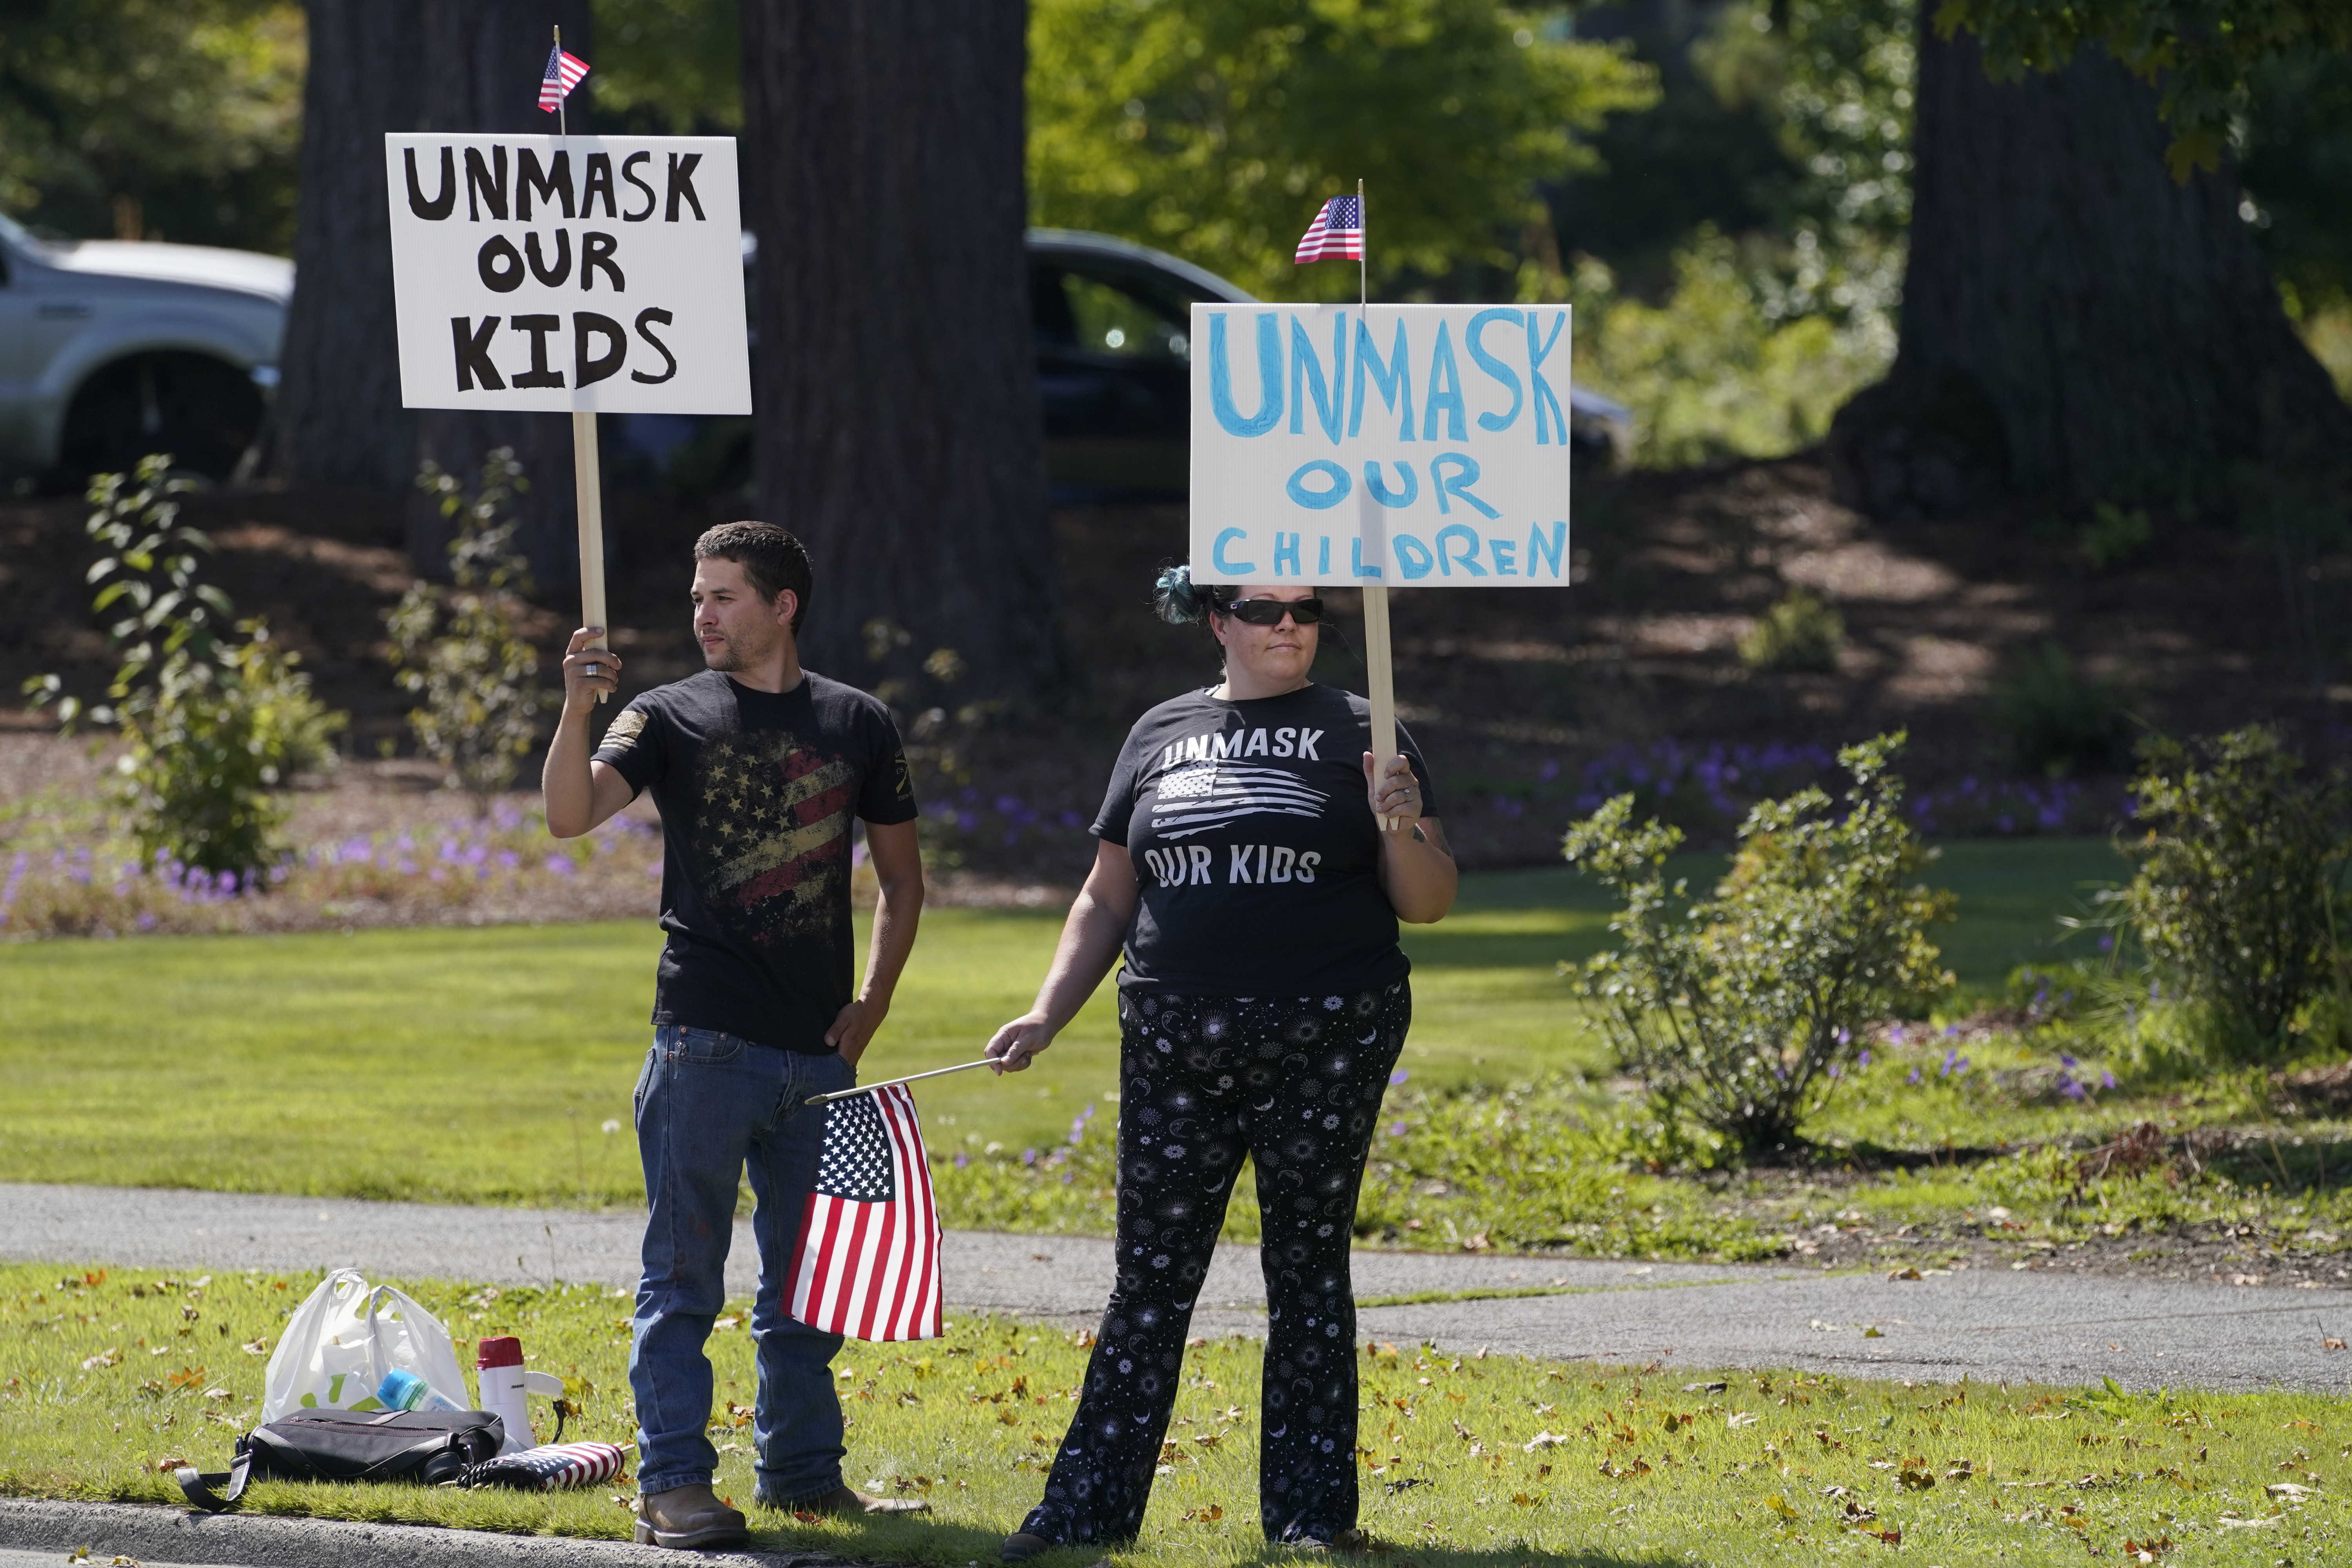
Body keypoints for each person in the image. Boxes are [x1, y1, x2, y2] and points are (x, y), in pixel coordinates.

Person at [984, 566, 1457, 1556]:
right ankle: (1084, 1515)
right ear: (1216, 619)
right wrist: (1045, 1012)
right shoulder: (1159, 730)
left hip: (1330, 1032)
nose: (1290, 626)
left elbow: (1427, 901)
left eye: (1307, 611)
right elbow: (1107, 894)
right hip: (1172, 1039)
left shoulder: (1365, 726)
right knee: (1150, 1279)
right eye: (1263, 610)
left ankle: (1309, 1520)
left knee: (1308, 1269)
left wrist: (1401, 821)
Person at [543, 521, 932, 1551]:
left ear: (781, 605)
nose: (702, 614)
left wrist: (875, 1002)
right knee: (682, 1281)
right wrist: (578, 705)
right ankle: (673, 1483)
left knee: (808, 1290)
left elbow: (902, 880)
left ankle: (804, 1476)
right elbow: (570, 815)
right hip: (701, 1047)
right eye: (697, 597)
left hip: (819, 1057)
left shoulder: (858, 722)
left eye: (723, 596)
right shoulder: (664, 715)